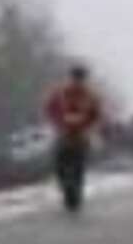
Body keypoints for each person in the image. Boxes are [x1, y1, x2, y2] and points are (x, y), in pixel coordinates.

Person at [43, 64, 104, 212]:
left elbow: (96, 115)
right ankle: (66, 187)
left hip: (80, 136)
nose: (77, 81)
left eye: (80, 79)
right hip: (63, 134)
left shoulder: (90, 96)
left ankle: (75, 194)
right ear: (70, 78)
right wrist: (58, 123)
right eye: (75, 78)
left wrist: (88, 127)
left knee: (78, 166)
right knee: (60, 165)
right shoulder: (60, 93)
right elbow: (49, 109)